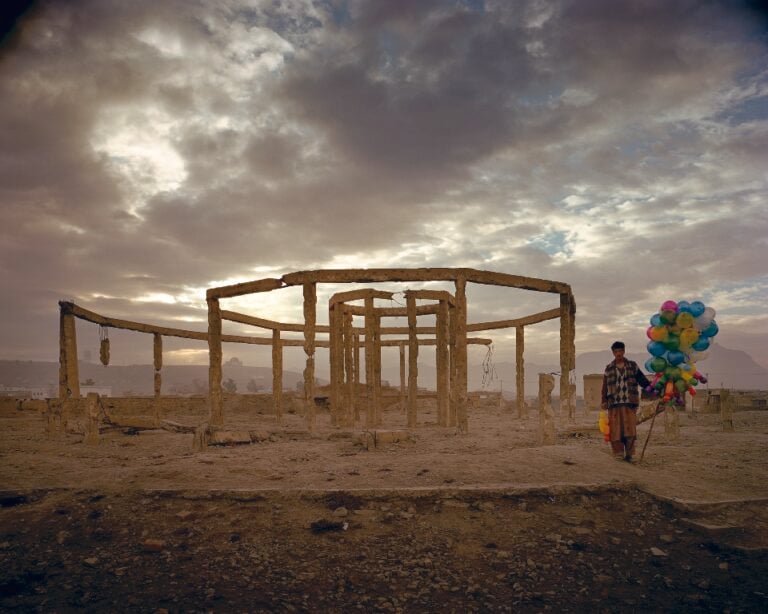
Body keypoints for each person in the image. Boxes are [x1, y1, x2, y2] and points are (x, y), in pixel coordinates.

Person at [601, 341, 650, 462]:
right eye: (616, 351)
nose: (618, 354)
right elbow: (604, 387)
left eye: (620, 351)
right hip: (614, 404)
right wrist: (603, 400)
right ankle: (618, 453)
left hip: (630, 402)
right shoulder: (609, 368)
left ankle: (630, 453)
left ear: (624, 351)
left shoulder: (633, 366)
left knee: (630, 429)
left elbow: (642, 380)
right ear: (613, 353)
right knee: (615, 430)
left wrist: (654, 390)